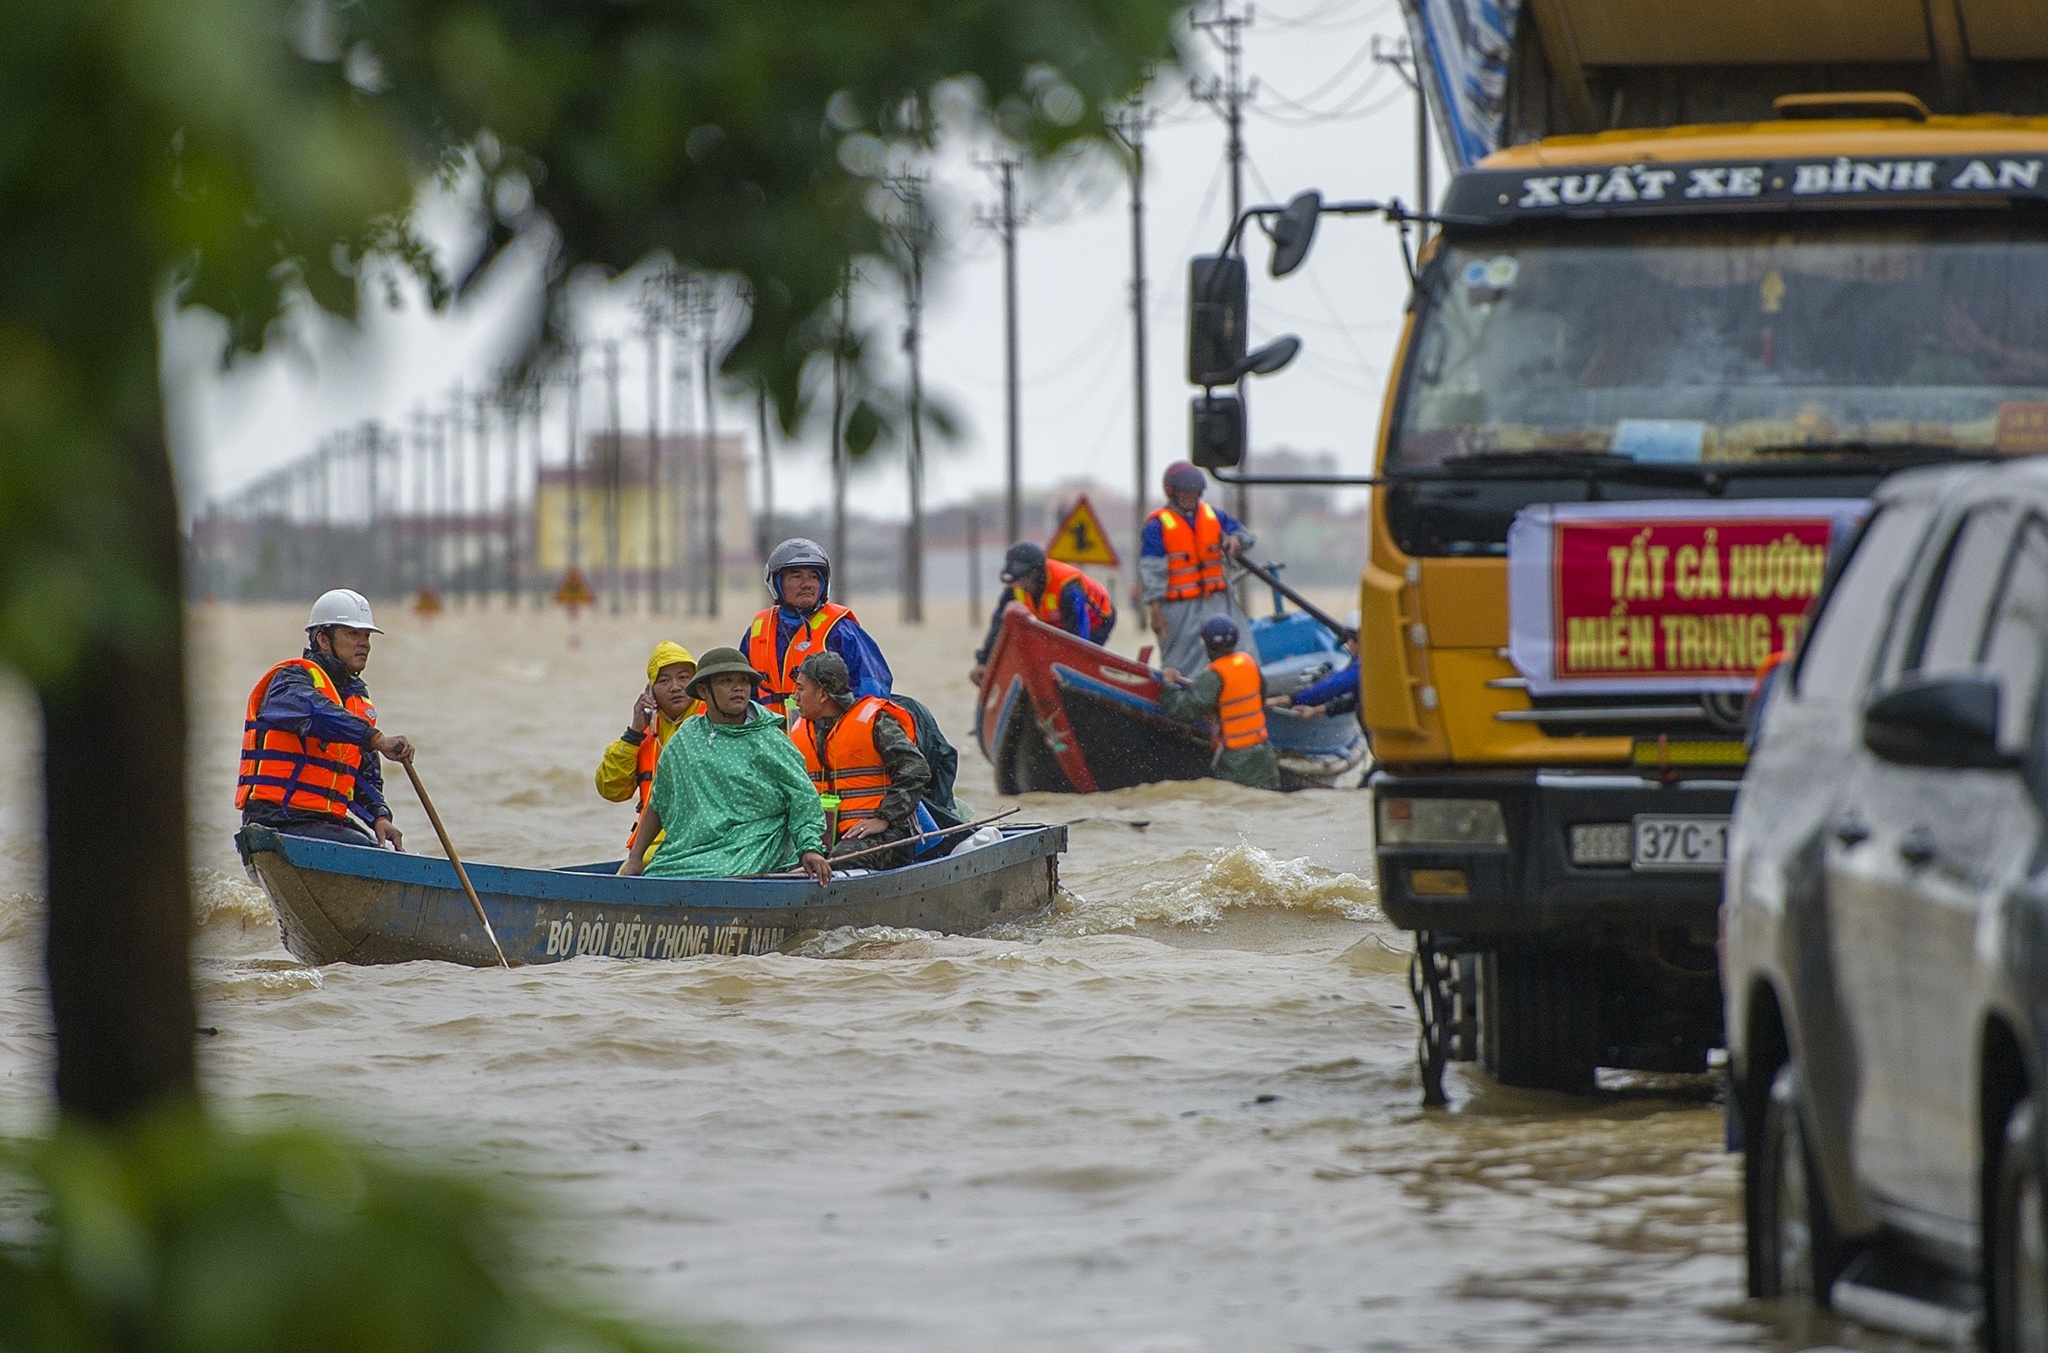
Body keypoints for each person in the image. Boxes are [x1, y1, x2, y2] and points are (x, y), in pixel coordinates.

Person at [618, 648, 832, 884]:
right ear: (703, 691)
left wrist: (809, 849)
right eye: (726, 681)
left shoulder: (769, 739)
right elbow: (659, 801)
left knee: (716, 874)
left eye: (743, 681)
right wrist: (636, 858)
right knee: (658, 871)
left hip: (751, 849)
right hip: (688, 851)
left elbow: (803, 799)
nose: (738, 687)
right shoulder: (686, 737)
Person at [236, 589, 415, 847]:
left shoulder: (356, 700)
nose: (363, 643)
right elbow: (317, 713)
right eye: (352, 634)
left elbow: (361, 771)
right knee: (361, 848)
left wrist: (379, 817)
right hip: (276, 818)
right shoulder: (289, 681)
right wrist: (376, 739)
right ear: (323, 639)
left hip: (325, 821)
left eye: (366, 636)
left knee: (377, 848)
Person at [787, 653, 932, 868]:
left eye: (801, 688)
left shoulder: (875, 722)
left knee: (841, 860)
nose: (794, 696)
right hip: (825, 837)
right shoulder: (799, 731)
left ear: (822, 695)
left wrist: (884, 818)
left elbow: (916, 769)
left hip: (887, 835)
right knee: (787, 860)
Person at [743, 537, 893, 718]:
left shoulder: (842, 630)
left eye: (814, 577)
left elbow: (872, 691)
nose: (807, 584)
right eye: (796, 576)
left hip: (824, 738)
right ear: (776, 583)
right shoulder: (759, 630)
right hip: (769, 739)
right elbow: (741, 690)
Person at [1142, 461, 1255, 677]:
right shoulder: (1157, 526)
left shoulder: (1214, 516)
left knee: (1238, 648)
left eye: (1195, 492)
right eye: (1186, 492)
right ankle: (1186, 697)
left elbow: (1246, 535)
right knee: (1181, 659)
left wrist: (1235, 539)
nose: (1191, 497)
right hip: (1177, 607)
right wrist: (1155, 611)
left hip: (1218, 600)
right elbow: (1151, 570)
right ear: (1171, 492)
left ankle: (1240, 687)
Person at [595, 641, 702, 861]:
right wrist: (634, 733)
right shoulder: (642, 735)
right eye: (664, 680)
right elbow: (612, 790)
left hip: (701, 843)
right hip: (650, 845)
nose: (675, 686)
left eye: (683, 677)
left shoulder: (715, 724)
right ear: (651, 691)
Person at [969, 542, 1117, 686]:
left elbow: (1079, 634)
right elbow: (998, 623)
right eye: (1017, 580)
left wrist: (1074, 665)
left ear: (1036, 573)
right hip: (1055, 623)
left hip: (1097, 622)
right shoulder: (1015, 588)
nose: (1020, 586)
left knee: (1078, 664)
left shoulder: (1068, 587)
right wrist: (983, 661)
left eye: (1024, 579)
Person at [1160, 614, 1280, 791]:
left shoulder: (1213, 676)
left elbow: (1182, 711)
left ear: (1206, 644)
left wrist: (1169, 685)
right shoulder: (1249, 663)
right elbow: (1260, 697)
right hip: (1263, 756)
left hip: (1235, 762)